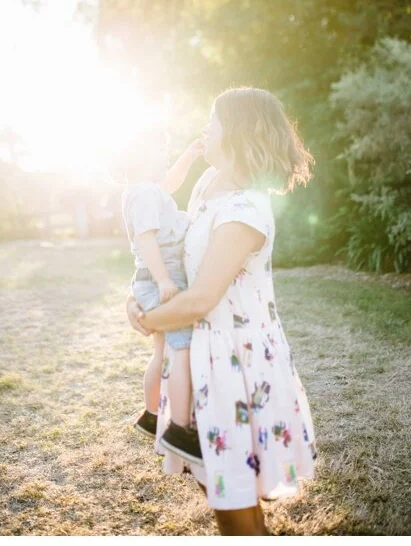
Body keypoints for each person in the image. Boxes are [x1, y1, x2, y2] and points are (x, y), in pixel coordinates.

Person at [128, 87, 317, 536]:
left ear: (233, 133)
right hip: (201, 354)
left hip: (237, 362)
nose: (203, 130)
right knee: (222, 493)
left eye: (212, 122)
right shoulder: (207, 185)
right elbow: (173, 257)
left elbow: (201, 298)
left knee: (232, 506)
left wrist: (143, 320)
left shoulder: (246, 210)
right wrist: (136, 296)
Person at [120, 134, 204, 463]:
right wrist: (164, 279)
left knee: (161, 349)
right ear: (140, 158)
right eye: (159, 150)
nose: (165, 154)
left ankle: (152, 414)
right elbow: (146, 239)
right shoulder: (142, 194)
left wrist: (189, 154)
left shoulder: (147, 190)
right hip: (161, 275)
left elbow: (170, 181)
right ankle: (181, 430)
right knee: (180, 346)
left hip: (155, 276)